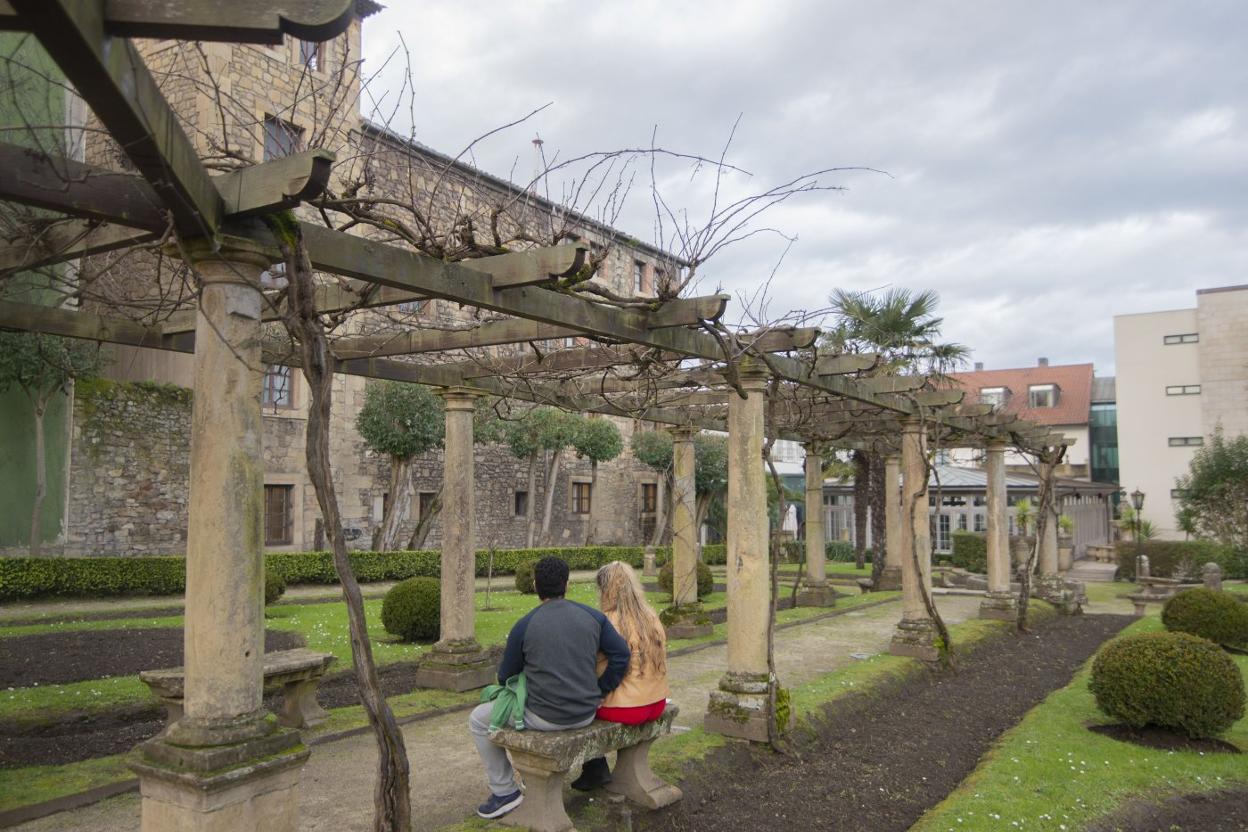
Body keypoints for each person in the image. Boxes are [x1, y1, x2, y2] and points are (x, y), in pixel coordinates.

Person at [468, 555, 631, 820]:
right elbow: (622, 654)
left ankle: (505, 791)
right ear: (566, 584)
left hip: (543, 717)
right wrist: (602, 689)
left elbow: (505, 675)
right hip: (586, 712)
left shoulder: (525, 625)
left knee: (477, 719)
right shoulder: (593, 617)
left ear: (535, 585)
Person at [571, 559, 671, 791]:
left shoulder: (608, 621)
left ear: (606, 588)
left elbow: (591, 663)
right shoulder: (650, 615)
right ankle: (598, 770)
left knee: (578, 705)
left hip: (628, 707)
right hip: (655, 702)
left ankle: (595, 770)